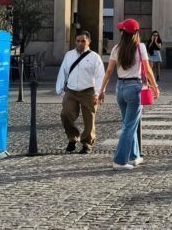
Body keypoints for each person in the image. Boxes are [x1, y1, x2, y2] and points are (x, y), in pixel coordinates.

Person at [98, 19, 160, 170]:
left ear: (123, 33)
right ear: (136, 33)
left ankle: (134, 156)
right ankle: (119, 161)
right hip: (134, 88)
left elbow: (108, 72)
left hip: (120, 88)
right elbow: (147, 69)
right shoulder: (140, 47)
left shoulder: (116, 48)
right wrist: (155, 86)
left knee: (129, 124)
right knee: (129, 126)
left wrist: (102, 90)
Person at [55, 30, 106, 154]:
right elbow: (63, 71)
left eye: (83, 41)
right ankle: (73, 138)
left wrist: (98, 92)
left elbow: (100, 76)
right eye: (78, 41)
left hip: (88, 91)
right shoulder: (69, 55)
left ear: (88, 41)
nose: (80, 43)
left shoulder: (95, 57)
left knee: (89, 118)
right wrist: (60, 89)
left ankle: (87, 143)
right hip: (71, 91)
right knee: (65, 114)